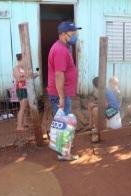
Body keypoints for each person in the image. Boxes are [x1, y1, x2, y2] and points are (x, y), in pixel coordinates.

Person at [47, 21, 81, 161]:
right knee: (63, 123)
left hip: (62, 93)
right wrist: (61, 97)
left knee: (62, 121)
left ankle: (62, 147)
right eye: (72, 34)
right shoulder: (60, 50)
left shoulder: (64, 46)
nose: (75, 36)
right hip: (60, 94)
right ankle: (63, 153)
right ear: (63, 34)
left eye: (75, 33)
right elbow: (59, 75)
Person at [13, 53, 38, 131]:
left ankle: (25, 123)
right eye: (24, 60)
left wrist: (34, 75)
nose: (26, 62)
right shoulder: (16, 69)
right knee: (23, 108)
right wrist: (30, 76)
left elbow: (26, 76)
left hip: (26, 88)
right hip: (21, 89)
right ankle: (19, 126)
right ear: (20, 60)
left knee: (26, 107)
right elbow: (19, 79)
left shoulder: (24, 69)